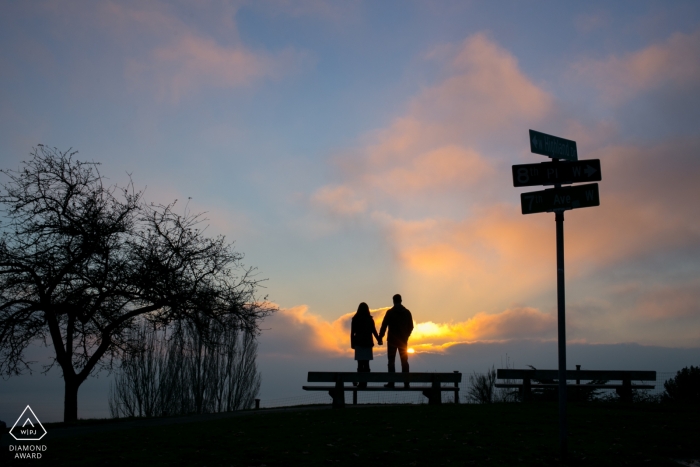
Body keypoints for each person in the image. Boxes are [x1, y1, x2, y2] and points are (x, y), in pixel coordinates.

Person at [378, 294, 414, 388]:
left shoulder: (390, 312)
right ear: (401, 300)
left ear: (393, 301)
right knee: (404, 361)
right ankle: (406, 383)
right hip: (403, 341)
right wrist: (406, 336)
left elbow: (384, 325)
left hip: (392, 341)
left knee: (391, 361)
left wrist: (380, 337)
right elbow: (411, 326)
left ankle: (391, 382)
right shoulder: (407, 312)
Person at [350, 302, 381, 388]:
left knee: (360, 364)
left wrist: (352, 344)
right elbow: (374, 331)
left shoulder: (355, 319)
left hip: (359, 344)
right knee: (366, 364)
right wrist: (379, 339)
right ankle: (365, 383)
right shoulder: (369, 319)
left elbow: (352, 333)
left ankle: (361, 382)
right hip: (367, 344)